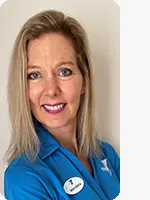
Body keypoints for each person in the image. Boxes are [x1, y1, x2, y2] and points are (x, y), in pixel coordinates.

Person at [4, 10, 120, 200]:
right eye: (34, 75)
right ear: (23, 89)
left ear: (84, 81)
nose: (51, 90)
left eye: (64, 72)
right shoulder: (23, 178)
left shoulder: (107, 154)